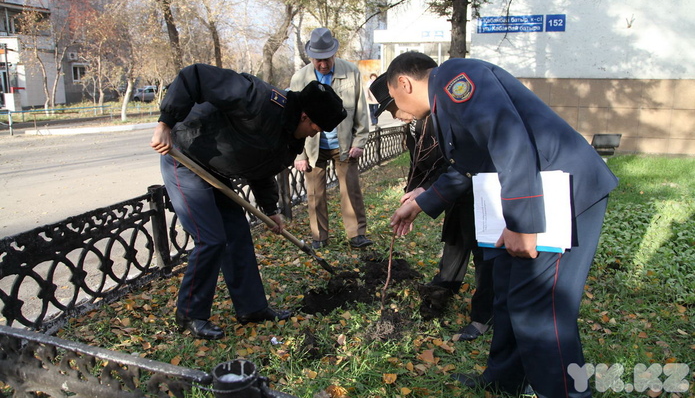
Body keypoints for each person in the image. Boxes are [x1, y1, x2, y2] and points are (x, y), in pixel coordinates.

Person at [386, 52, 619, 398]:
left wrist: (523, 223)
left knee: (540, 309)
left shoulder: (455, 77)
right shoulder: (446, 106)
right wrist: (423, 201)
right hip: (543, 192)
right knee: (508, 293)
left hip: (561, 195)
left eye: (393, 99)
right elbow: (472, 164)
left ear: (404, 84)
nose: (396, 109)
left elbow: (507, 139)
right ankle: (504, 380)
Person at [150, 63, 347, 340]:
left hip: (217, 172)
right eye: (316, 126)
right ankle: (190, 314)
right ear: (304, 116)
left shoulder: (290, 139)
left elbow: (261, 168)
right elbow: (195, 76)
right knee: (211, 239)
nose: (316, 133)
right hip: (184, 157)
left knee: (238, 236)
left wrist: (271, 210)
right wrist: (165, 124)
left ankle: (252, 309)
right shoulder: (257, 98)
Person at [369, 74, 494, 337]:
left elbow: (458, 163)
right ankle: (444, 286)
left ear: (404, 91)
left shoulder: (443, 115)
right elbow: (422, 165)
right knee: (456, 236)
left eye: (393, 108)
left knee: (483, 247)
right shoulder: (418, 124)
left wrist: (425, 196)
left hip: (479, 188)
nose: (395, 116)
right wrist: (417, 190)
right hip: (452, 189)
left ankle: (485, 314)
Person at [291, 28, 373, 250]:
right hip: (312, 145)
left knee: (351, 190)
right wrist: (299, 154)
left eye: (326, 59)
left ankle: (356, 235)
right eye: (318, 60)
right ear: (311, 57)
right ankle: (319, 237)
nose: (323, 65)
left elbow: (361, 110)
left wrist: (359, 142)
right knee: (314, 194)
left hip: (344, 144)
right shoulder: (300, 78)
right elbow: (291, 118)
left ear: (334, 54)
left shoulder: (351, 72)